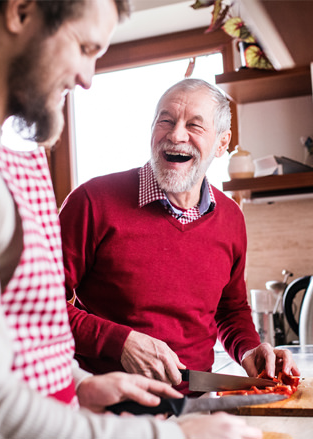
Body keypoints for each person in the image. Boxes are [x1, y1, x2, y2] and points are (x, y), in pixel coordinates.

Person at [0, 1, 264, 438]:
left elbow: (22, 340)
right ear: (20, 12)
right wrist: (176, 435)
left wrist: (78, 387)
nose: (87, 77)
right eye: (85, 46)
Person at [59, 78, 300, 392]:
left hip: (195, 405)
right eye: (165, 121)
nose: (175, 135)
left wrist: (249, 350)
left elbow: (231, 310)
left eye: (195, 126)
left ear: (222, 143)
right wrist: (120, 342)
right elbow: (38, 307)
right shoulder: (91, 202)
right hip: (106, 408)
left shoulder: (231, 218)